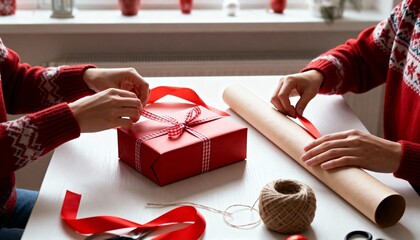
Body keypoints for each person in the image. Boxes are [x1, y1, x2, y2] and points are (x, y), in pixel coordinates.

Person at [0, 38, 150, 239]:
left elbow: (13, 83)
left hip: (4, 203)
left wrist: (87, 78)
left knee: (116, 226)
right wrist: (71, 119)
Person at [271, 0, 420, 191]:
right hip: (402, 185)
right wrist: (318, 75)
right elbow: (361, 57)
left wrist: (400, 157)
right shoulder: (414, 8)